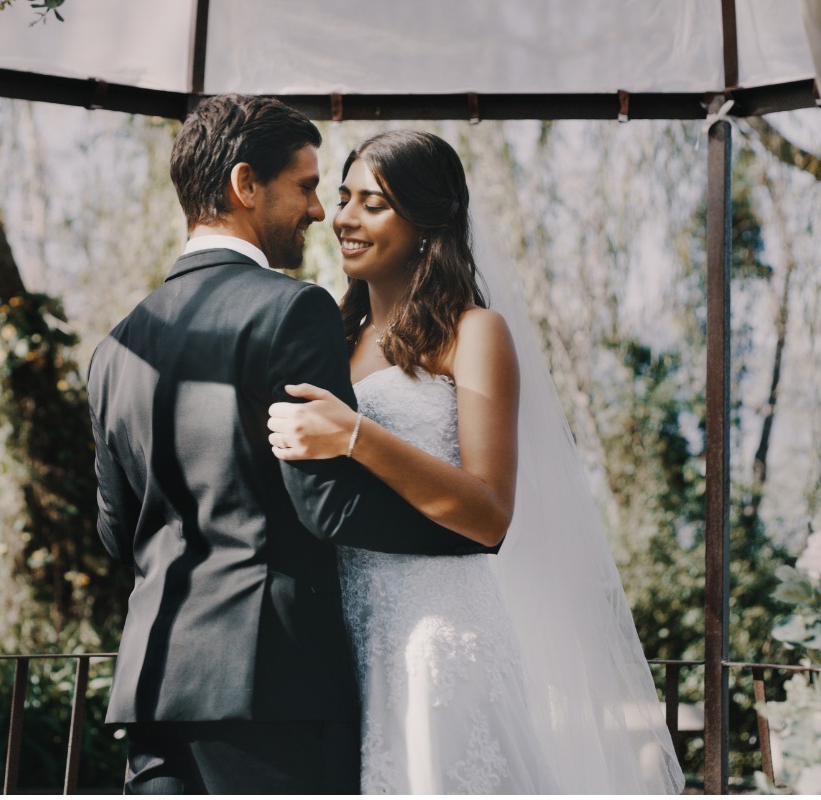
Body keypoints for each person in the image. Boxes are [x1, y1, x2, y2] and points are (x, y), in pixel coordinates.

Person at [87, 97, 493, 795]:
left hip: (151, 690)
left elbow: (117, 531)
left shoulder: (116, 346)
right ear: (247, 185)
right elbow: (326, 507)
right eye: (307, 188)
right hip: (271, 688)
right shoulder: (292, 309)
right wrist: (471, 536)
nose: (317, 213)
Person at [267, 130, 686, 794]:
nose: (343, 217)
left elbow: (490, 514)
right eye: (342, 197)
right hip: (342, 638)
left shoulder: (473, 332)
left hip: (435, 635)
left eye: (372, 203)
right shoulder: (330, 337)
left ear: (428, 222)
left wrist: (355, 436)